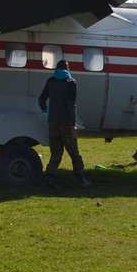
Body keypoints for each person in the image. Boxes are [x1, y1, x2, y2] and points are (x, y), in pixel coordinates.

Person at [38, 60, 91, 188]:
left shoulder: (51, 81)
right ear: (67, 69)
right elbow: (71, 104)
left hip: (53, 122)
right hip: (66, 123)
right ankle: (81, 179)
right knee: (74, 152)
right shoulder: (71, 83)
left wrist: (45, 110)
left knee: (56, 152)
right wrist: (73, 123)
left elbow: (41, 99)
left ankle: (49, 179)